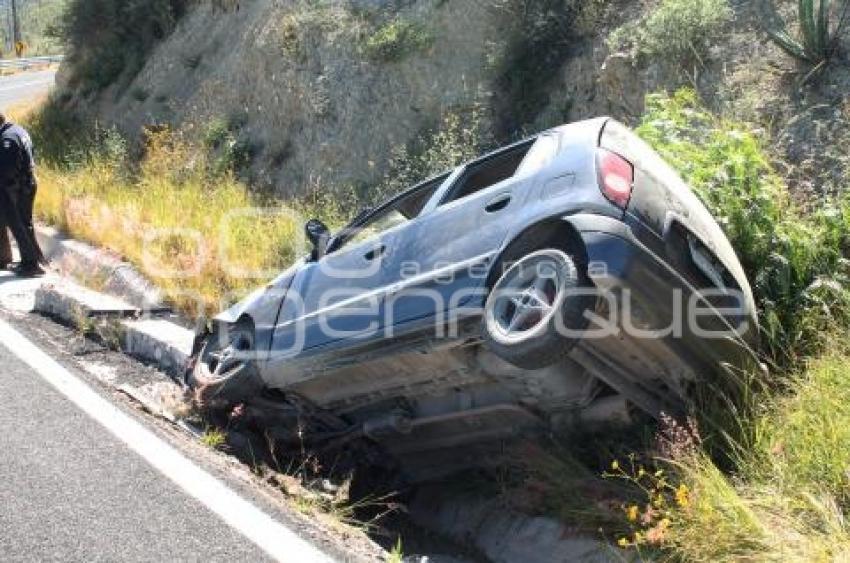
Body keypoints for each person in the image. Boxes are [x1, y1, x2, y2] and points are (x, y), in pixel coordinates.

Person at [0, 112, 46, 276]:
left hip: (17, 187)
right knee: (22, 223)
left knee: (19, 225)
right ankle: (25, 260)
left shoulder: (8, 139)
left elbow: (7, 170)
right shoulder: (18, 130)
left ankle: (31, 264)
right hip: (25, 183)